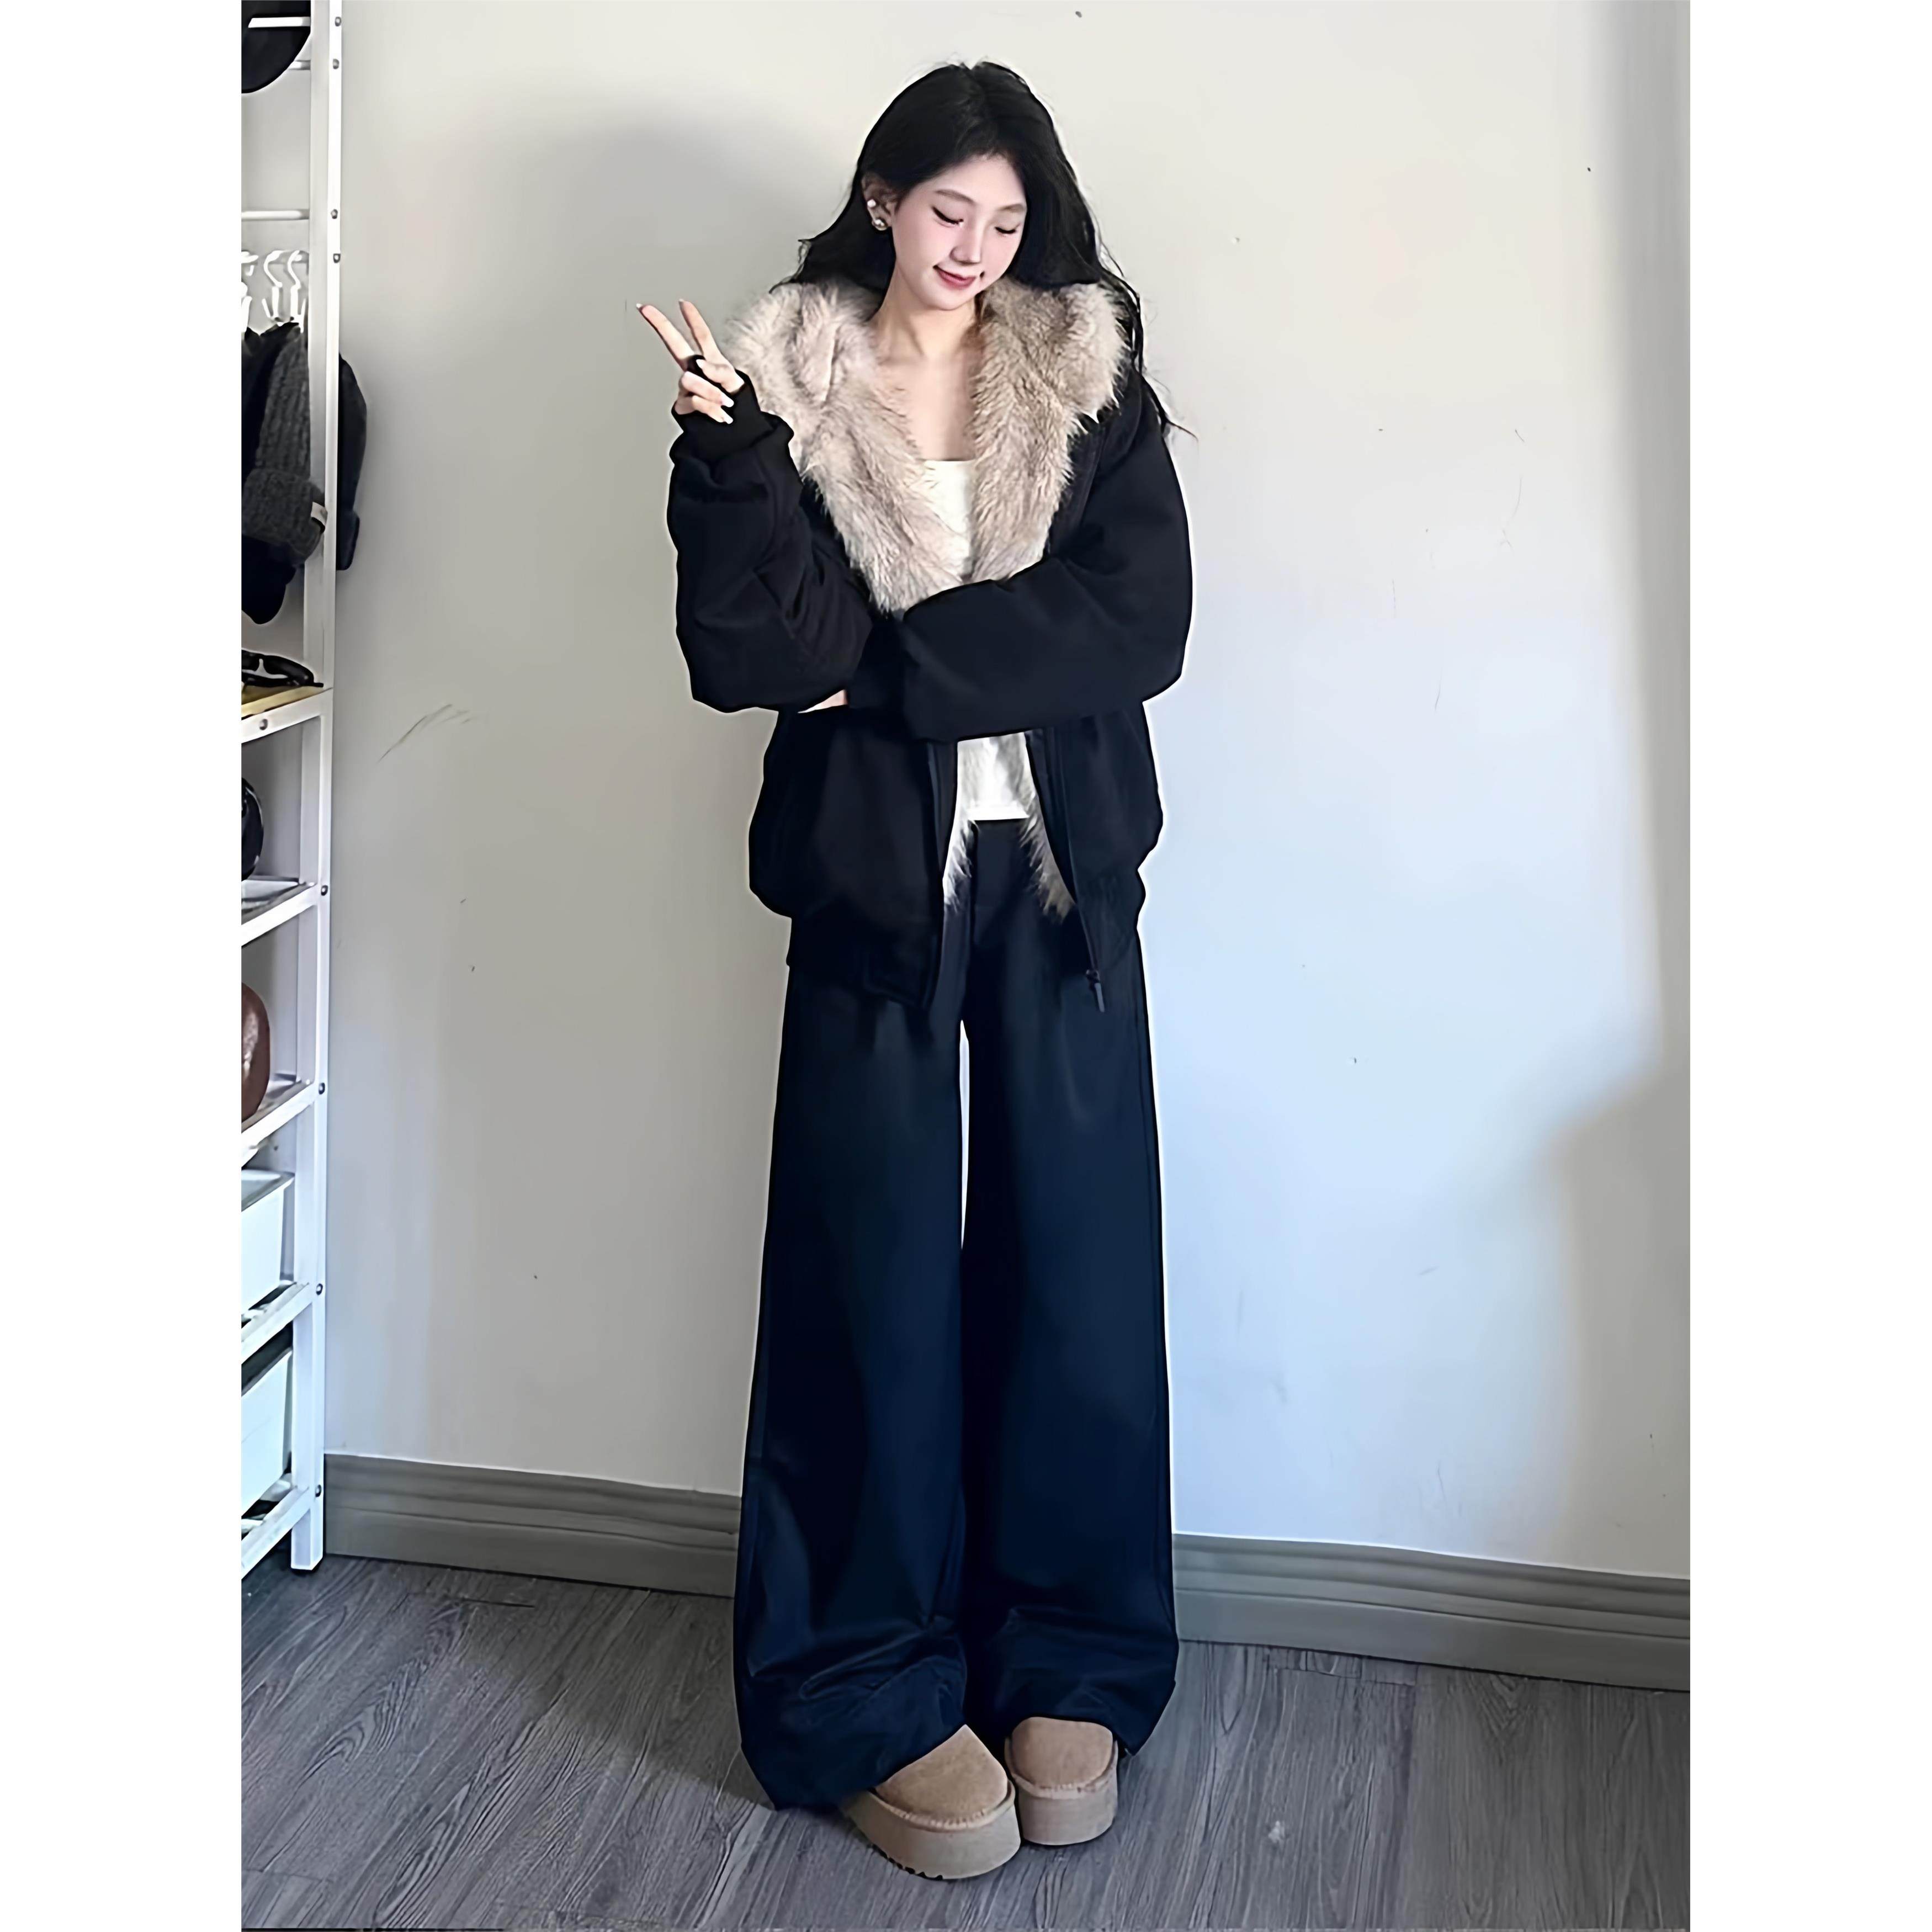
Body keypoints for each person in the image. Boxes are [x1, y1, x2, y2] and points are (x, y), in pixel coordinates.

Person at [639, 59, 1192, 1882]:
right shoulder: (784, 386)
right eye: (948, 209)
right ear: (882, 198)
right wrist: (727, 467)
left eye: (1008, 220)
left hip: (1061, 873)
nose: (975, 247)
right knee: (862, 1273)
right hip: (872, 883)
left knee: (1079, 1267)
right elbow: (749, 657)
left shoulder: (1084, 375)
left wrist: (872, 670)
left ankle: (1069, 1652)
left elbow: (1138, 620)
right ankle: (858, 1682)